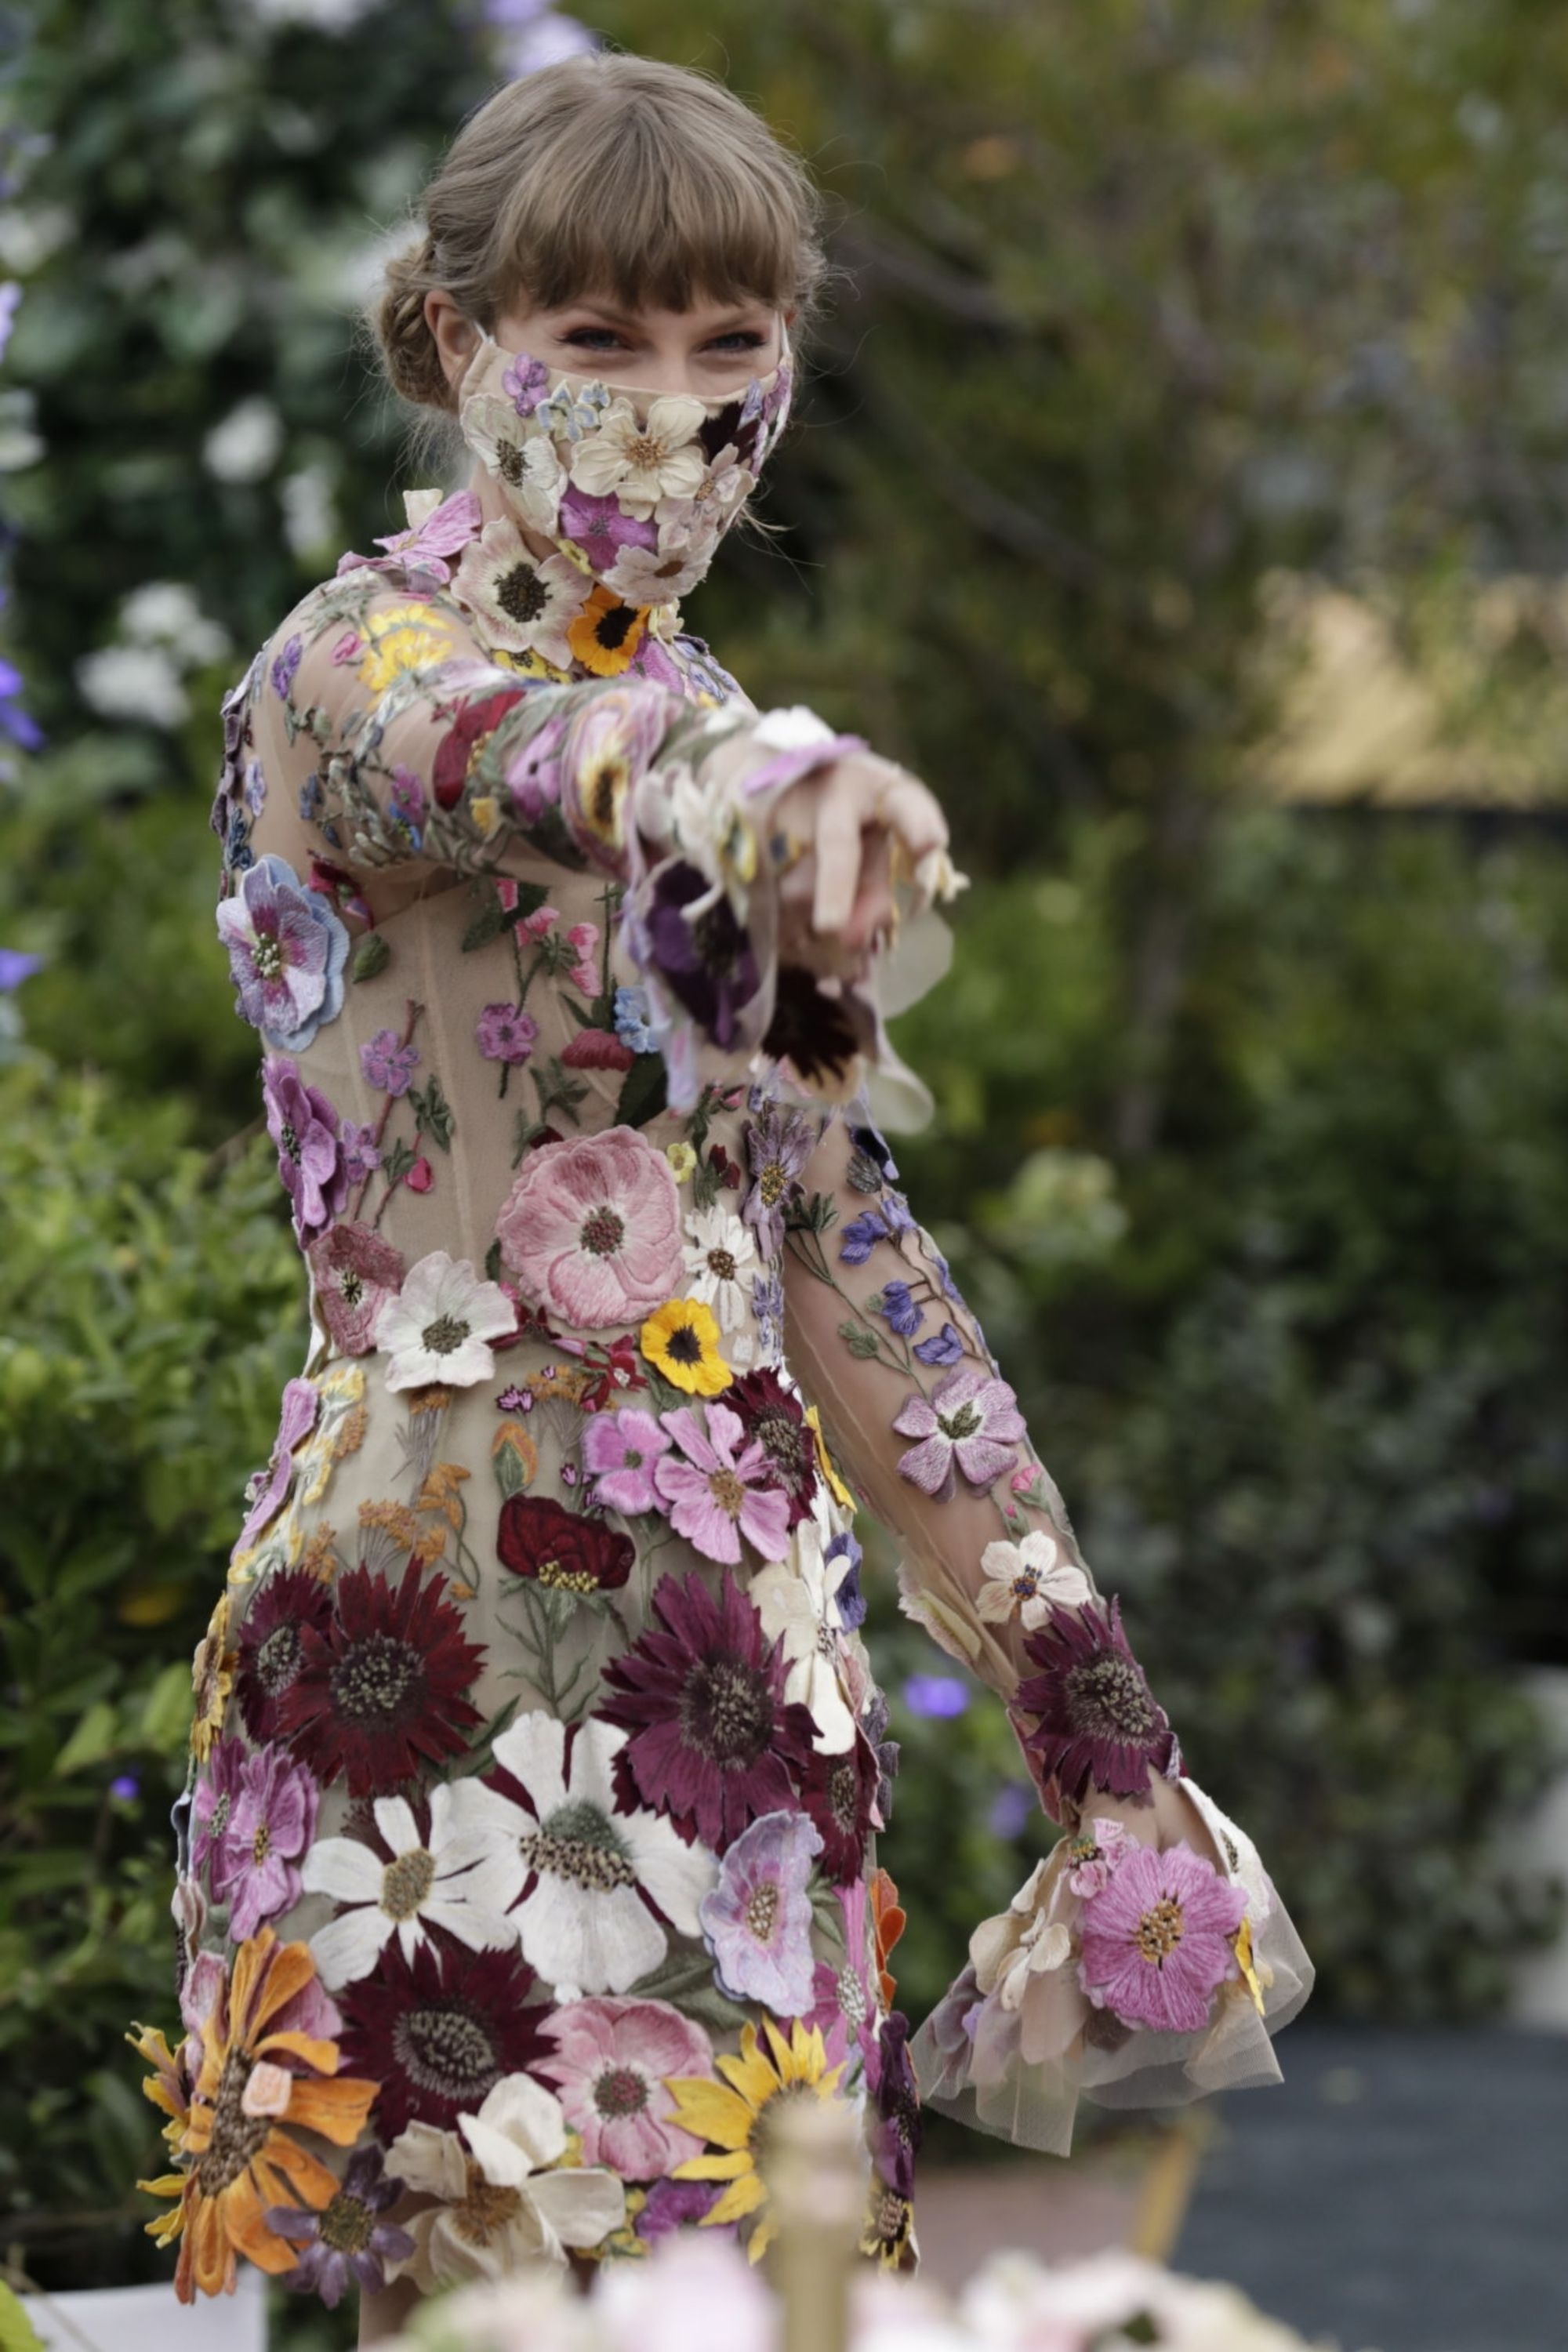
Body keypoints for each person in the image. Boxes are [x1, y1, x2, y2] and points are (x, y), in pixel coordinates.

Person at [130, 49, 1313, 2341]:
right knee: (470, 2299)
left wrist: (1098, 1727)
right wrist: (742, 785)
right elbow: (515, 749)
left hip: (742, 1679)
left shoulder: (728, 724)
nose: (671, 409)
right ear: (461, 343)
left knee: (769, 2296)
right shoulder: (351, 673)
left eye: (727, 344)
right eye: (599, 339)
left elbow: (846, 1251)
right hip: (435, 1653)